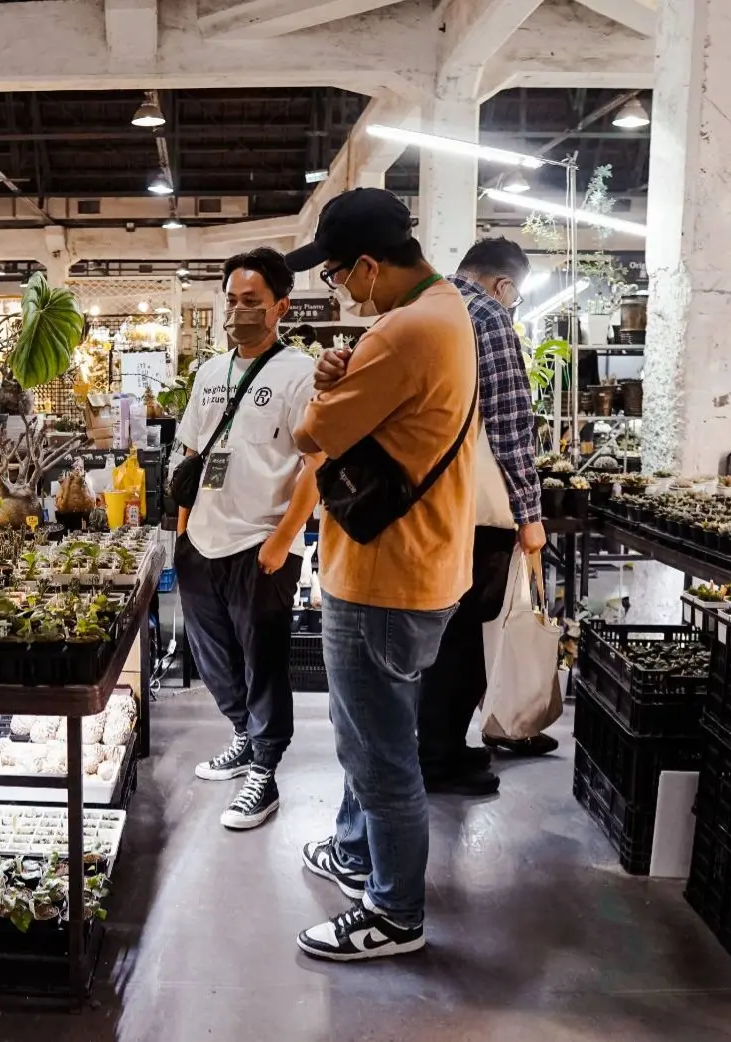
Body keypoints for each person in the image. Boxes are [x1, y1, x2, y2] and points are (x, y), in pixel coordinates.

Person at [287, 188, 478, 961]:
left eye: (337, 276)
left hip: (380, 577)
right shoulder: (449, 310)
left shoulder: (402, 334)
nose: (340, 291)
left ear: (368, 266)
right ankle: (356, 853)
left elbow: (311, 434)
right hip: (421, 563)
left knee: (379, 752)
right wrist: (351, 366)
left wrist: (332, 382)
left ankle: (395, 913)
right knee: (365, 731)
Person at [314, 236, 553, 796]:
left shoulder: (418, 314)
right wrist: (530, 512)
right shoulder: (489, 316)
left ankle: (433, 748)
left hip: (412, 508)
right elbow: (511, 424)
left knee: (430, 639)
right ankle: (441, 754)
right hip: (476, 512)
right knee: (464, 637)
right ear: (505, 285)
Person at [174, 247, 321, 831]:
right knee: (214, 659)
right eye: (231, 301)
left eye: (251, 302)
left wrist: (283, 540)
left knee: (264, 663)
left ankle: (265, 769)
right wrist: (183, 533)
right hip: (202, 543)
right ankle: (242, 735)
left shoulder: (300, 373)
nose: (238, 312)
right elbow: (190, 453)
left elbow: (315, 463)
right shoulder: (210, 372)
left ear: (280, 306)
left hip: (260, 544)